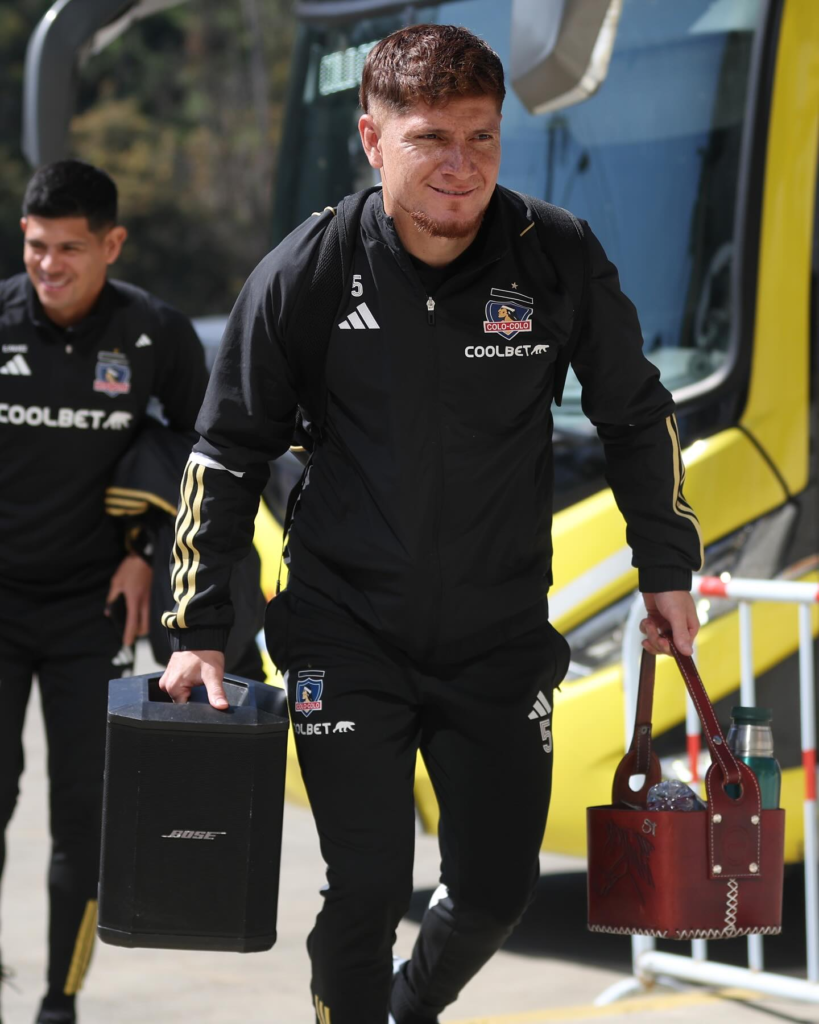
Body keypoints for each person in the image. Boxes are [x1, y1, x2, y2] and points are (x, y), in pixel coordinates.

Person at [159, 24, 703, 1024]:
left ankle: (409, 1011)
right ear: (373, 139)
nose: (462, 167)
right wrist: (197, 627)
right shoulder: (306, 272)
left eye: (482, 138)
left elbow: (637, 417)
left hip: (498, 639)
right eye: (431, 139)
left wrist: (666, 568)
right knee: (365, 890)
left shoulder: (557, 257)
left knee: (497, 890)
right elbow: (224, 452)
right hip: (343, 632)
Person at [0, 159, 208, 1024]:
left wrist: (146, 550)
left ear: (112, 245)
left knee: (79, 821)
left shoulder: (156, 336)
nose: (51, 266)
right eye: (38, 247)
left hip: (94, 612)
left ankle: (61, 1001)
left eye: (71, 249)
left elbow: (213, 458)